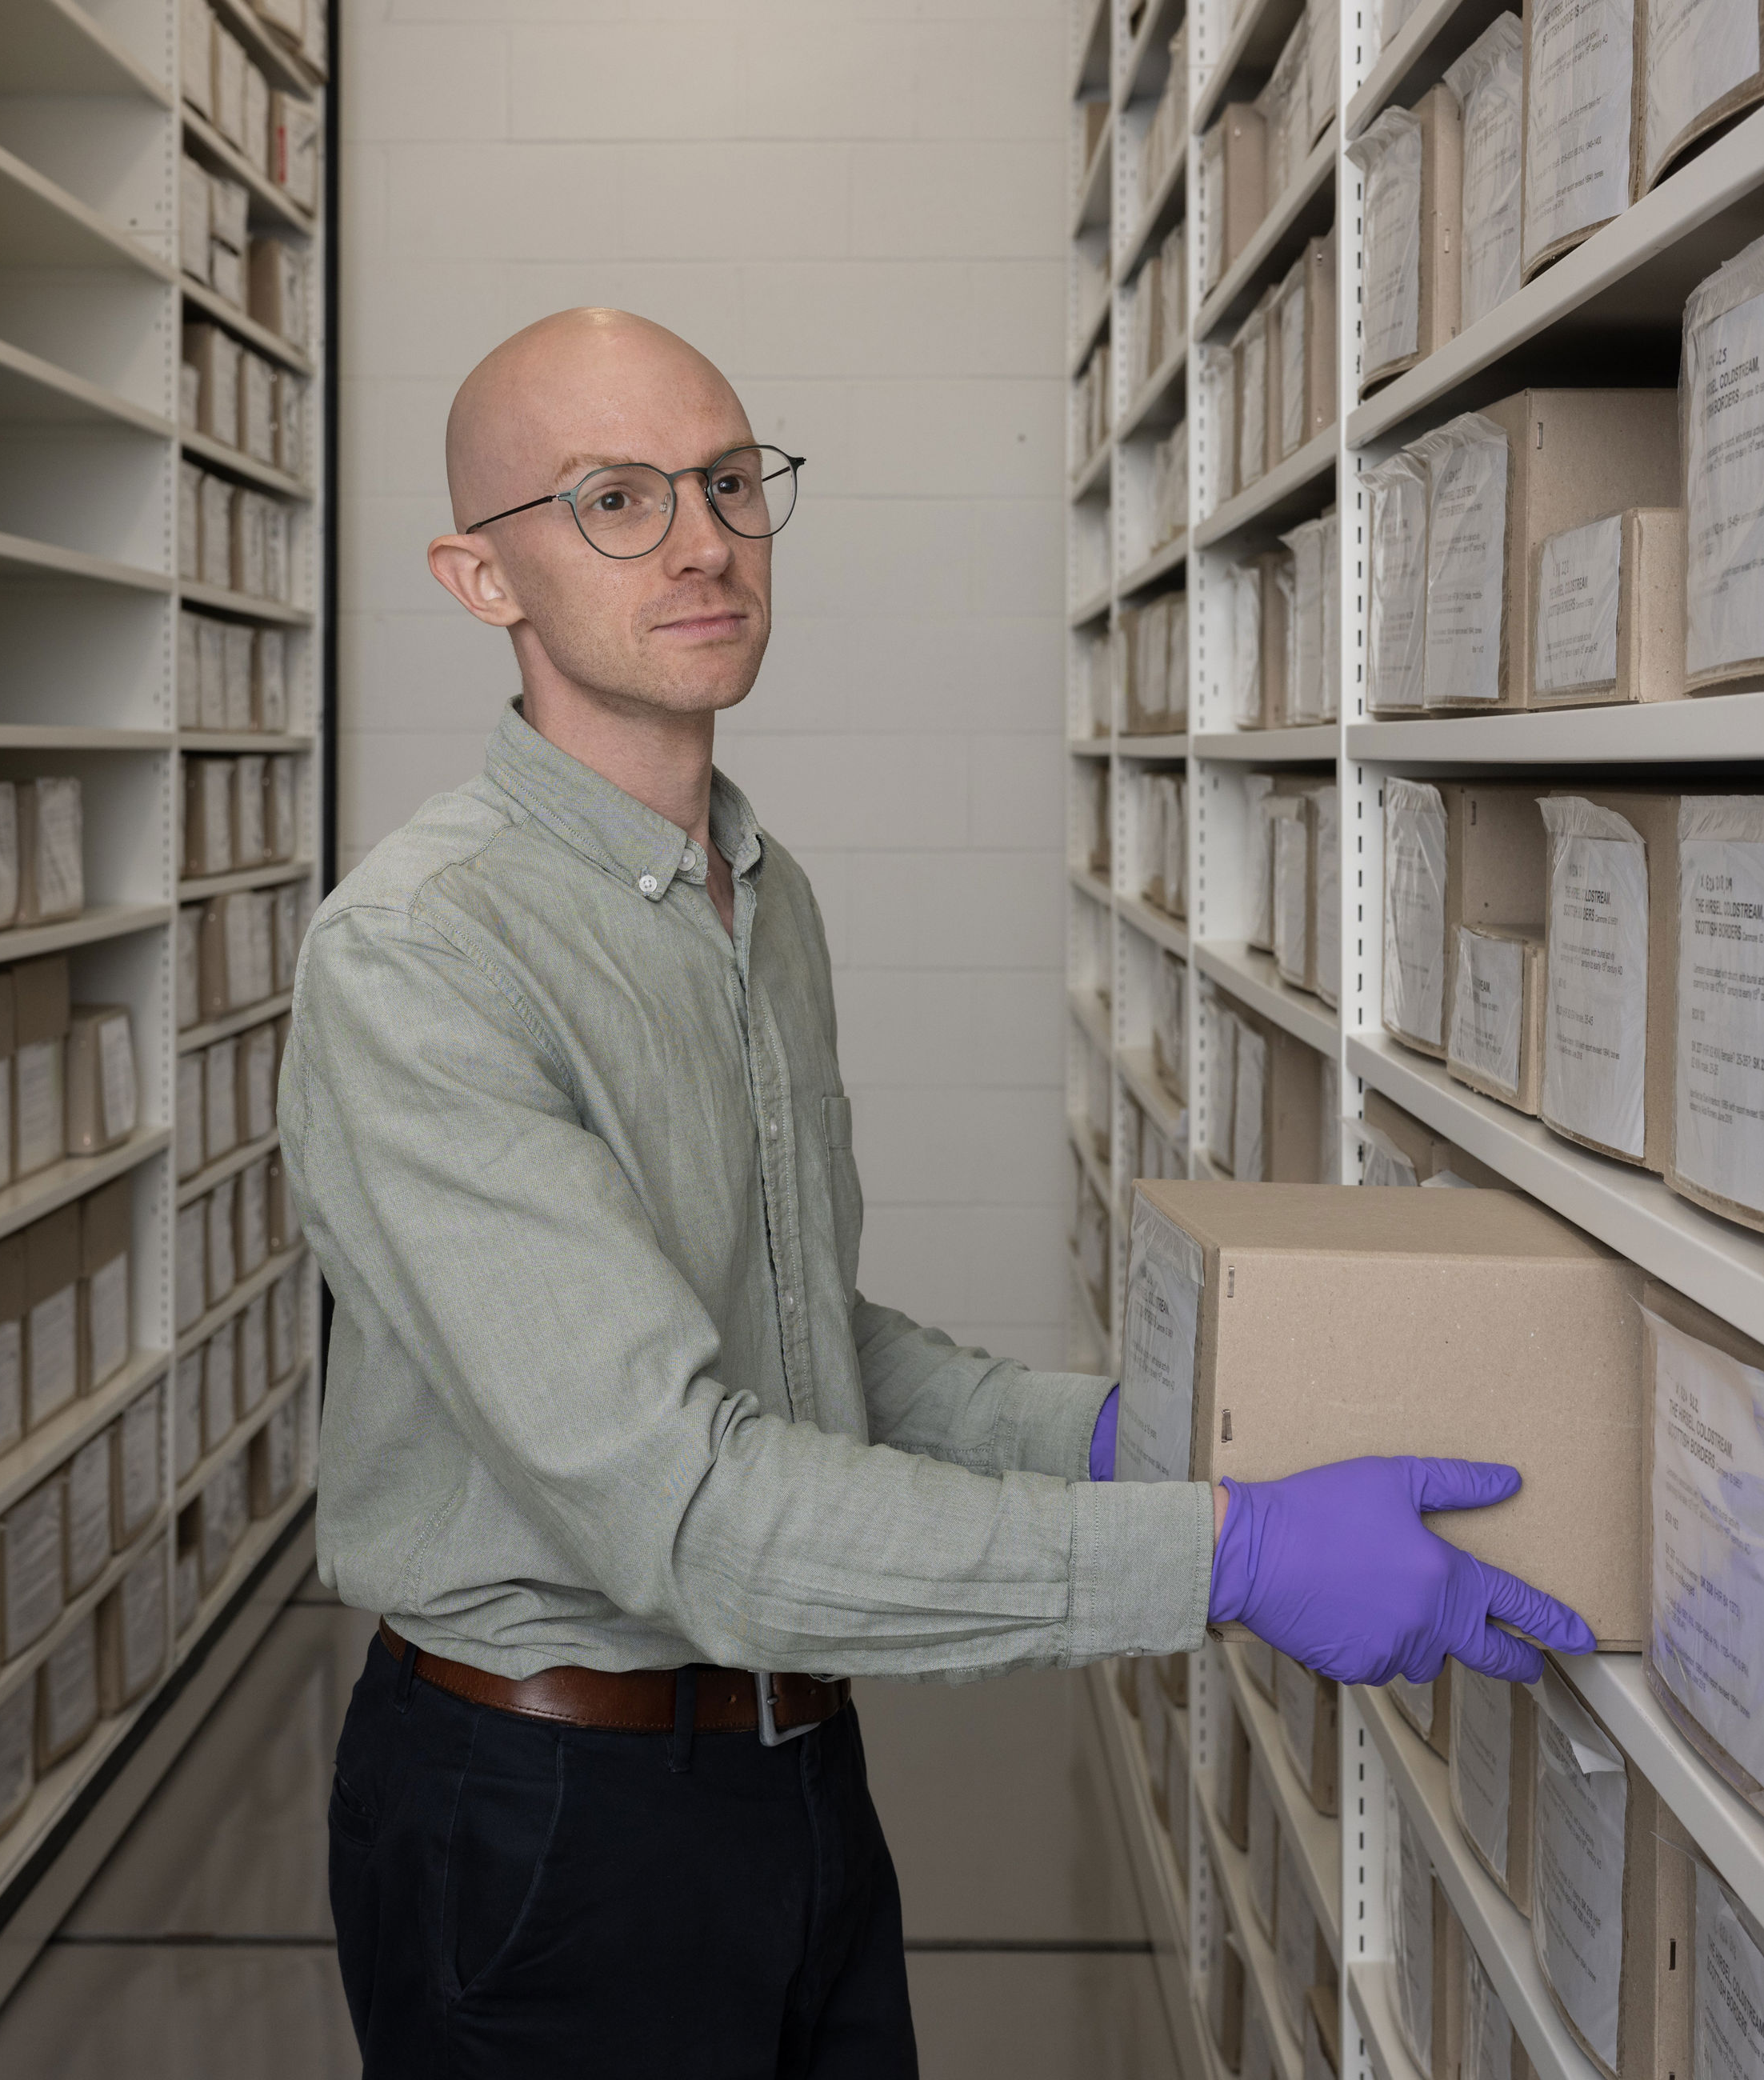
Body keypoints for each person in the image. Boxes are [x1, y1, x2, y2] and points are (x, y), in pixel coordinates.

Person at [280, 309, 1591, 2077]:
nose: (699, 541)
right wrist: (1226, 1552)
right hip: (545, 1824)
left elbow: (802, 1343)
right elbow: (695, 1512)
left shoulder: (759, 891)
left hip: (796, 1772)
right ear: (478, 576)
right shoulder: (423, 956)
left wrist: (1114, 1436)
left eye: (729, 483)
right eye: (611, 500)